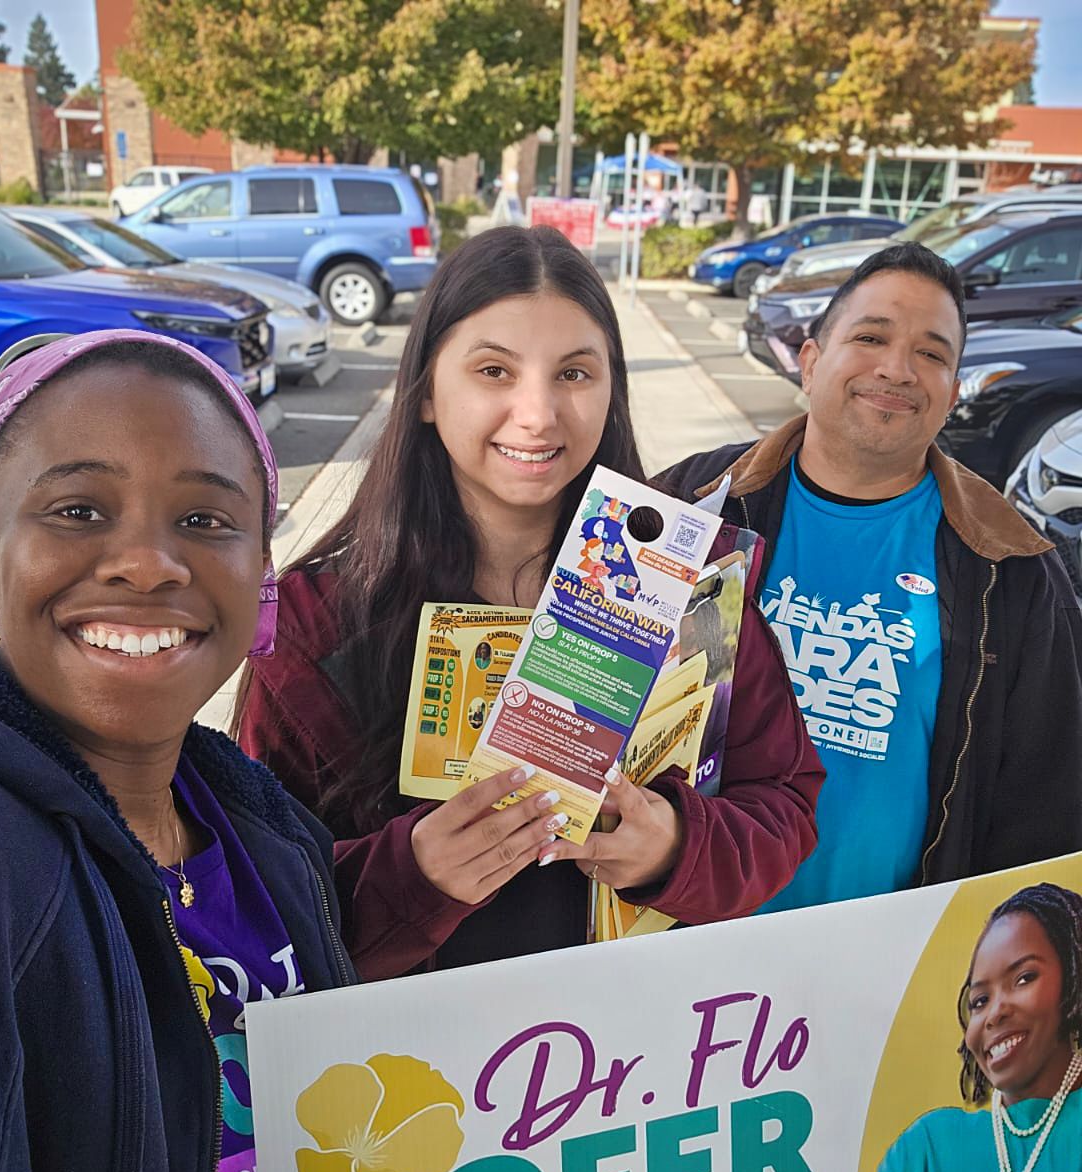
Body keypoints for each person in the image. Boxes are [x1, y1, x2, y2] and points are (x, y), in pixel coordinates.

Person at [235, 225, 823, 981]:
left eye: (575, 373)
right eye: (494, 370)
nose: (539, 413)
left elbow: (784, 802)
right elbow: (248, 893)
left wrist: (677, 845)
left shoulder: (688, 584)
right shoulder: (314, 627)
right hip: (409, 1081)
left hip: (627, 1064)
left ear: (612, 391)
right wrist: (407, 876)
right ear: (423, 395)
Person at [0, 331, 353, 1172]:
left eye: (205, 520)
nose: (146, 563)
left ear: (260, 575)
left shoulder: (269, 834)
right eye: (79, 510)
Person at [656, 242, 1082, 913]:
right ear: (810, 361)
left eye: (933, 354)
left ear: (952, 394)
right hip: (676, 932)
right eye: (871, 336)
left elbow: (1044, 813)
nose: (897, 368)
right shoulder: (692, 502)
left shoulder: (1011, 567)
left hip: (884, 978)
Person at [870, 883, 1082, 1172]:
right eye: (980, 1001)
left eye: (1023, 978)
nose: (994, 1014)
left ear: (1073, 978)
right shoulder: (926, 1150)